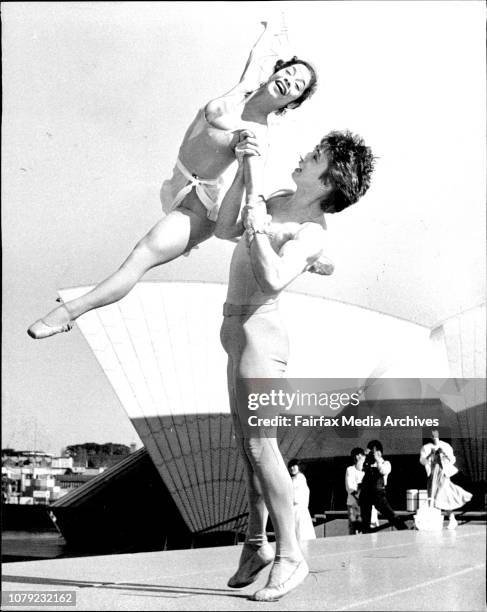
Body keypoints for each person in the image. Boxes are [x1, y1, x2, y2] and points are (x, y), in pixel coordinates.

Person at [27, 22, 317, 339]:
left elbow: (251, 191)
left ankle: (68, 313)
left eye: (298, 86)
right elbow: (260, 53)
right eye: (289, 73)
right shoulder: (245, 87)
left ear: (293, 102)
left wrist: (251, 207)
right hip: (177, 181)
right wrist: (273, 27)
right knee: (143, 252)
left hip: (197, 208)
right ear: (276, 72)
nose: (289, 82)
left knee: (141, 256)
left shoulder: (258, 136)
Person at [217, 128, 374, 600]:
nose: (303, 157)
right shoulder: (279, 197)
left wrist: (258, 221)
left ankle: (290, 556)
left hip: (262, 336)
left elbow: (271, 277)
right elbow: (227, 229)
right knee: (250, 449)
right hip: (233, 330)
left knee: (263, 447)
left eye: (314, 157)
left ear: (328, 182)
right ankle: (255, 545)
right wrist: (246, 177)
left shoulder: (310, 232)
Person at [419, 429, 472, 529]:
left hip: (443, 473)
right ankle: (438, 520)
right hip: (433, 474)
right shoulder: (426, 447)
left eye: (435, 434)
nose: (434, 436)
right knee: (434, 497)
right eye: (432, 434)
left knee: (443, 495)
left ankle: (451, 519)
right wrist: (430, 454)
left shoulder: (445, 445)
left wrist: (444, 454)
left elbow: (452, 459)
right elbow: (422, 461)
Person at [359, 440, 407, 534]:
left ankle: (405, 531)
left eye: (375, 451)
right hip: (366, 494)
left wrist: (378, 459)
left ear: (380, 452)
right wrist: (364, 457)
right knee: (365, 521)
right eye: (372, 452)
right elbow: (359, 470)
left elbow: (383, 471)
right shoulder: (366, 464)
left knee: (390, 515)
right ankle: (365, 538)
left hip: (378, 494)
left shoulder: (386, 463)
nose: (373, 454)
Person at [288, 459, 316, 542]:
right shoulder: (292, 478)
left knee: (301, 531)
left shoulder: (300, 477)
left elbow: (297, 494)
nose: (292, 468)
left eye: (294, 466)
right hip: (294, 508)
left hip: (299, 508)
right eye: (290, 466)